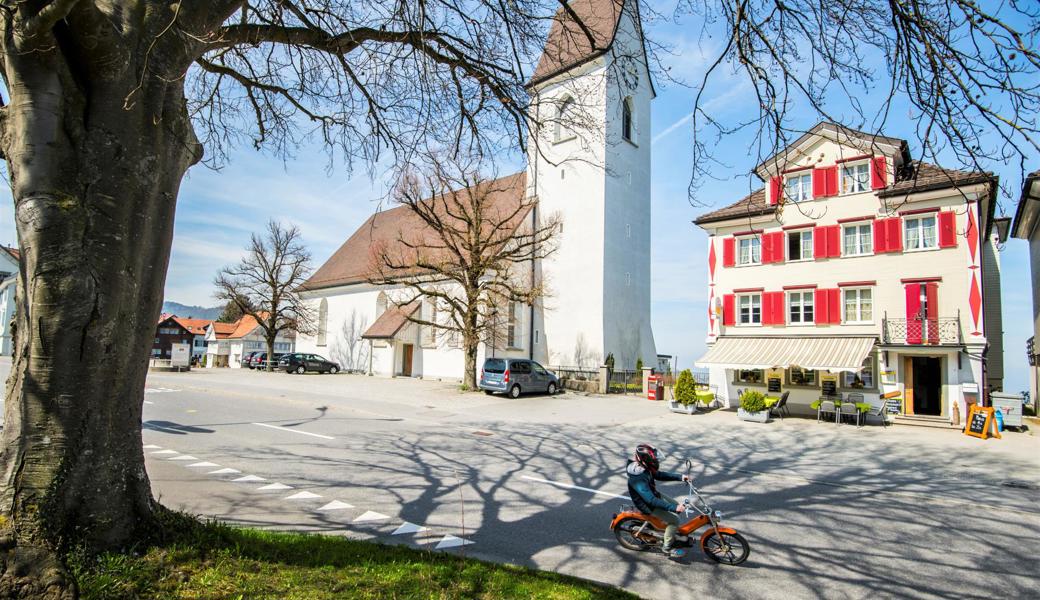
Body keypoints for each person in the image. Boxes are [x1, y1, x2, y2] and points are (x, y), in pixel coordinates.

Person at [626, 443, 690, 558]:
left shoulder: (644, 466)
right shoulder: (638, 478)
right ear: (646, 459)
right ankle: (667, 548)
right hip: (647, 504)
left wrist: (680, 477)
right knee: (675, 520)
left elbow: (659, 475)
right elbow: (650, 500)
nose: (655, 460)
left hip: (653, 495)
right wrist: (673, 508)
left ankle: (667, 530)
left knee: (676, 506)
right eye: (653, 458)